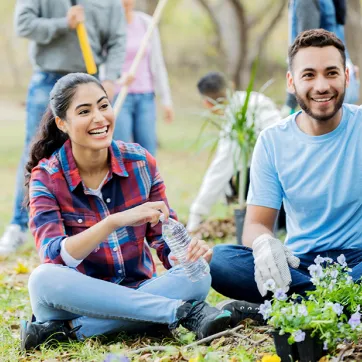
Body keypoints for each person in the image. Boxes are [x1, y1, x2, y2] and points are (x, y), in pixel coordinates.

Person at [20, 73, 233, 351]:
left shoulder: (140, 162)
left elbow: (163, 238)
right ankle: (178, 312)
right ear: (62, 123)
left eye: (103, 106)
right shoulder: (46, 177)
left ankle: (66, 333)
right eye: (84, 111)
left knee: (199, 273)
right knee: (42, 279)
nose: (99, 118)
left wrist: (185, 255)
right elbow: (54, 255)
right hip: (73, 300)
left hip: (138, 290)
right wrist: (114, 222)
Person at [210, 29, 362, 326]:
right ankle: (338, 305)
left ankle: (286, 309)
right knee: (220, 262)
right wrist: (265, 245)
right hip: (299, 264)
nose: (322, 86)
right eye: (309, 75)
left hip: (358, 260)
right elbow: (255, 224)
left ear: (346, 76)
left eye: (331, 73)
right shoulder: (272, 141)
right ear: (292, 82)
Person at [0, 0, 126, 257]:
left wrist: (111, 76)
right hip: (48, 77)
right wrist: (63, 24)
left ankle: (90, 227)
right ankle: (19, 225)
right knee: (35, 151)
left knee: (93, 153)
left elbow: (117, 40)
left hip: (88, 80)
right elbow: (23, 25)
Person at [186, 72, 282, 233]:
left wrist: (196, 215)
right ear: (231, 85)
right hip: (291, 175)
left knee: (232, 176)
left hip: (271, 190)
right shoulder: (257, 98)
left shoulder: (236, 122)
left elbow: (219, 171)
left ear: (207, 105)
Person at [113, 0, 174, 156]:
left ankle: (148, 181)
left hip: (146, 96)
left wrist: (166, 99)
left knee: (147, 151)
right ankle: (124, 181)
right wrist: (119, 77)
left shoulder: (147, 23)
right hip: (119, 95)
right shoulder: (109, 26)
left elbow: (158, 63)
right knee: (122, 150)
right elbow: (103, 65)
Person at [281, 0, 359, 117]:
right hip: (342, 79)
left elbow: (306, 55)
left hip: (329, 86)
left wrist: (290, 103)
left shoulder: (306, 2)